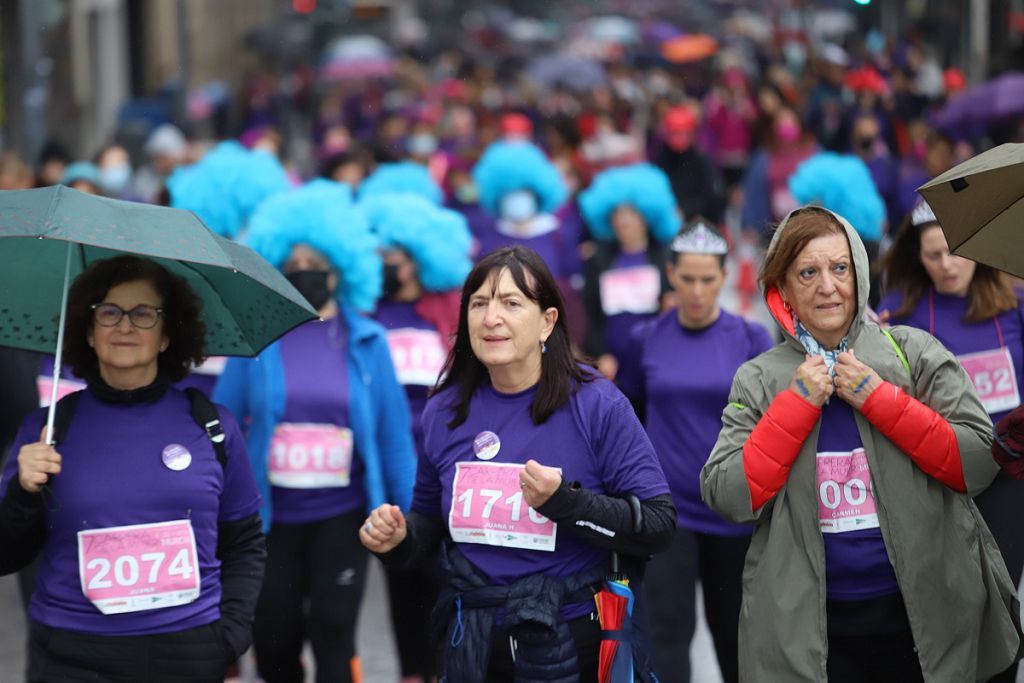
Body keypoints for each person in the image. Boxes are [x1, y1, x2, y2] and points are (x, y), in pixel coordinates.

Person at [701, 206, 1021, 681]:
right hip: (813, 633)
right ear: (783, 288)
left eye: (840, 268)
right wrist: (795, 406)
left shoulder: (914, 352)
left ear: (861, 274)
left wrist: (880, 399)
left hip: (924, 619)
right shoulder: (759, 379)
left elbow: (977, 463)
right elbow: (728, 496)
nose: (827, 286)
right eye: (807, 272)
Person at [360, 246, 675, 682]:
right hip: (472, 643)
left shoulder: (598, 404)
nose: (491, 318)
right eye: (478, 304)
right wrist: (399, 537)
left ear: (547, 321)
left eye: (510, 303)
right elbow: (431, 523)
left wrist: (567, 504)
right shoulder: (446, 409)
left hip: (573, 639)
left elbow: (658, 525)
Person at [0, 255, 265, 681]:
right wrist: (21, 493)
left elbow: (245, 542)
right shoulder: (45, 430)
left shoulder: (213, 426)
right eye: (109, 312)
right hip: (73, 656)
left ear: (165, 336)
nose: (125, 326)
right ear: (88, 331)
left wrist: (230, 635)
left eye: (144, 313)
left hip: (189, 651)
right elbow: (6, 555)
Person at [214, 180, 416, 683]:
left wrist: (415, 515)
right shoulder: (258, 338)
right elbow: (220, 421)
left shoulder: (367, 341)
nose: (304, 273)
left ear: (340, 271)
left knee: (334, 631)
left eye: (316, 266)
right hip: (269, 519)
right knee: (274, 633)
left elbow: (393, 435)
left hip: (343, 516)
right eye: (294, 265)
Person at [619, 220, 773, 683]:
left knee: (736, 637)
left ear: (724, 277)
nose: (697, 290)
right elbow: (628, 417)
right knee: (667, 635)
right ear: (670, 273)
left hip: (732, 511)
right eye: (687, 278)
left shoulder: (751, 340)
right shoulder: (646, 338)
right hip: (670, 514)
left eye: (708, 279)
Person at [878, 199, 1024, 683]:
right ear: (916, 255)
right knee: (948, 604)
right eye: (933, 255)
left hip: (1007, 478)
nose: (946, 265)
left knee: (999, 602)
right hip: (937, 479)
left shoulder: (1015, 307)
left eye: (956, 252)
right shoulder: (899, 315)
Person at [365, 192, 473, 682]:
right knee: (400, 580)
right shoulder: (370, 313)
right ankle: (412, 671)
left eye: (397, 255)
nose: (388, 264)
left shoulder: (448, 311)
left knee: (442, 580)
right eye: (382, 254)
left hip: (441, 467)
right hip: (388, 466)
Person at [579, 163, 680, 382]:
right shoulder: (599, 259)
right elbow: (592, 314)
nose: (623, 220)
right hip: (611, 366)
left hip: (655, 361)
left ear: (647, 215)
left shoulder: (665, 257)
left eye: (631, 212)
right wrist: (600, 353)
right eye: (617, 213)